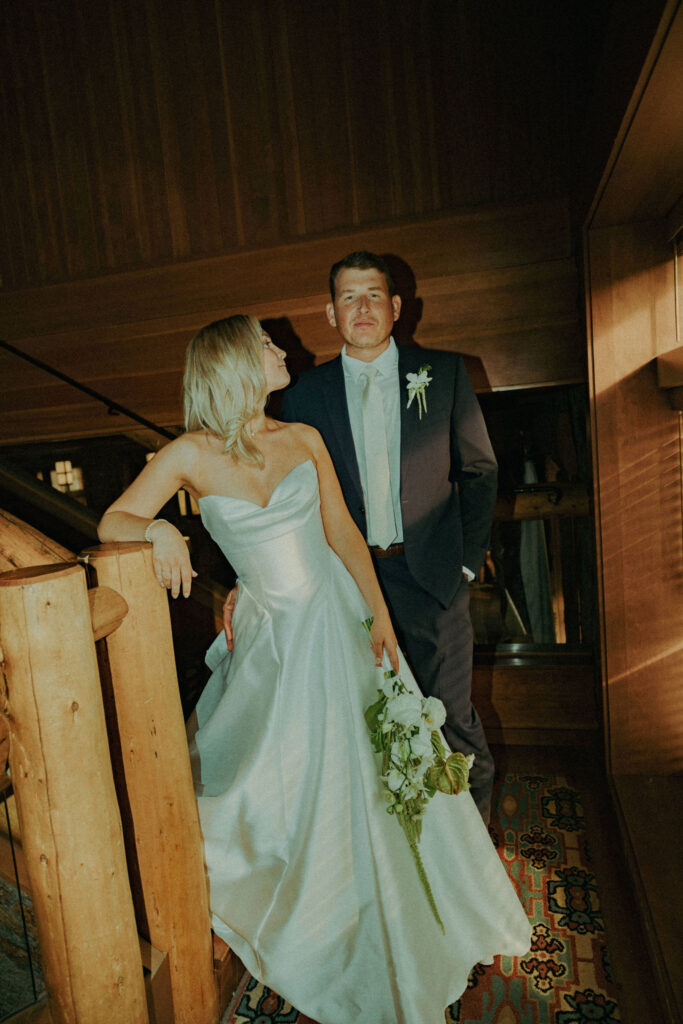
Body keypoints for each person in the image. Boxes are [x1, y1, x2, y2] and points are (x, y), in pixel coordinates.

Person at [98, 315, 530, 1024]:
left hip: (339, 623)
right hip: (275, 644)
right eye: (267, 345)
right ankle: (321, 910)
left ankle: (396, 908)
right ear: (235, 362)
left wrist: (380, 617)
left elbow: (341, 534)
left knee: (372, 772)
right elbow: (112, 520)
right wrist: (158, 528)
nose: (283, 351)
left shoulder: (303, 439)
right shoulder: (186, 454)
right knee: (292, 780)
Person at [275, 251, 498, 823]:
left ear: (396, 308)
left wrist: (466, 563)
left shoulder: (444, 375)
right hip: (348, 583)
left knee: (451, 715)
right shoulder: (303, 396)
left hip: (434, 578)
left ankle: (474, 850)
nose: (362, 307)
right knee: (370, 719)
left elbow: (480, 472)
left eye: (373, 294)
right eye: (349, 297)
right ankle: (408, 846)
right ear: (331, 314)